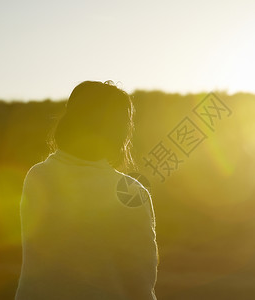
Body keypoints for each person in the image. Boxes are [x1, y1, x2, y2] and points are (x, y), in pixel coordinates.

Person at [15, 81, 158, 300]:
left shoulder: (38, 176)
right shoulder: (131, 194)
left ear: (70, 121)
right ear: (119, 133)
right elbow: (140, 282)